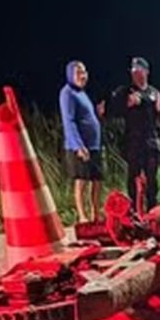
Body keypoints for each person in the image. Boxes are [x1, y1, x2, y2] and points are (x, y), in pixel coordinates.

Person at [105, 56, 160, 212]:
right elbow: (112, 110)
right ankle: (133, 209)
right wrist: (127, 104)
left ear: (146, 72)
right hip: (133, 140)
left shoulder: (154, 92)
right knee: (133, 176)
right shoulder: (125, 91)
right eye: (133, 71)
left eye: (139, 71)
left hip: (151, 141)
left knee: (151, 177)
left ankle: (152, 208)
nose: (135, 74)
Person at [58, 60, 103, 222]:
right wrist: (78, 146)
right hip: (80, 145)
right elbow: (68, 121)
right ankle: (82, 216)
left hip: (94, 144)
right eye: (78, 73)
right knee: (82, 180)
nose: (82, 76)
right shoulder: (67, 93)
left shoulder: (82, 93)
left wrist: (98, 114)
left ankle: (95, 214)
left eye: (84, 72)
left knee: (97, 179)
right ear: (70, 74)